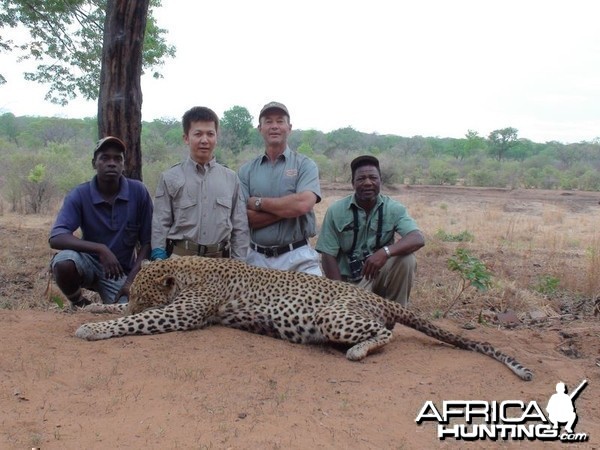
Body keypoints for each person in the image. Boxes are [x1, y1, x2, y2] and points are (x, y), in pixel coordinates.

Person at [49, 136, 153, 308]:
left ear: (123, 165)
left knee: (126, 308)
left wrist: (130, 282)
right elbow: (57, 237)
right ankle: (78, 303)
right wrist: (100, 249)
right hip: (87, 263)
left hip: (119, 271)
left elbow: (148, 242)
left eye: (117, 158)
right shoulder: (80, 194)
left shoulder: (138, 192)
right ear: (94, 163)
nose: (111, 163)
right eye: (105, 158)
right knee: (63, 262)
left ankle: (113, 298)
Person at [316, 155, 425, 306]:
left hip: (378, 276)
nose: (368, 183)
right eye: (361, 179)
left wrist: (385, 252)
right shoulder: (336, 210)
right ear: (353, 183)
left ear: (380, 181)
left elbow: (417, 238)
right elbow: (328, 255)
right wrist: (339, 293)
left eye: (373, 178)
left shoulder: (394, 208)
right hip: (349, 283)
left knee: (407, 260)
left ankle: (396, 314)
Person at [151, 106, 249, 260]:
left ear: (216, 137)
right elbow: (160, 223)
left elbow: (240, 227)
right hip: (180, 262)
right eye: (198, 134)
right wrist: (158, 256)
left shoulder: (231, 178)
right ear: (186, 138)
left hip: (220, 265)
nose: (204, 140)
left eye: (210, 134)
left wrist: (239, 264)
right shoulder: (170, 177)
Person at [238, 101, 322, 275]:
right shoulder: (246, 170)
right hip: (256, 258)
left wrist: (258, 203)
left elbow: (303, 204)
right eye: (268, 121)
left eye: (280, 121)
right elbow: (245, 219)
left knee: (318, 300)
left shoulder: (305, 165)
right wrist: (288, 210)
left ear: (289, 127)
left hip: (299, 257)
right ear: (259, 128)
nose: (274, 126)